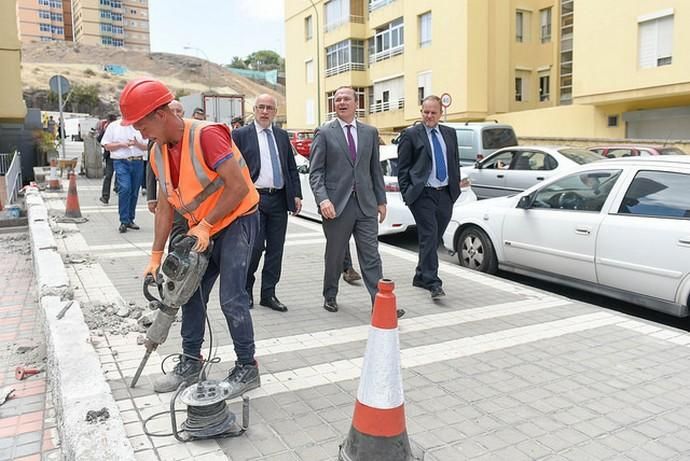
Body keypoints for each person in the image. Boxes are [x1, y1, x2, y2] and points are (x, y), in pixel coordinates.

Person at [120, 77, 260, 396]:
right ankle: (190, 362)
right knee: (189, 294)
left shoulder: (206, 135)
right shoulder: (157, 151)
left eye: (142, 126)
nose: (140, 134)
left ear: (161, 114)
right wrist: (156, 255)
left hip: (237, 220)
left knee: (231, 296)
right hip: (202, 227)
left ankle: (247, 368)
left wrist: (207, 224)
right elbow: (168, 205)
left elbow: (237, 187)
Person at [309, 86, 404, 317]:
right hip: (337, 206)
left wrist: (381, 201)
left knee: (371, 255)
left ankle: (380, 302)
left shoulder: (370, 132)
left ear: (356, 103)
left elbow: (374, 171)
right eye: (337, 99)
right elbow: (316, 173)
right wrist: (323, 200)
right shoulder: (324, 132)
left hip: (366, 204)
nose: (341, 102)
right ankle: (330, 295)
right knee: (335, 254)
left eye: (346, 99)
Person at [232, 94, 302, 312]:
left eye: (269, 108)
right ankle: (245, 291)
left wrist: (297, 194)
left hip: (279, 200)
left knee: (276, 250)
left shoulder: (281, 135)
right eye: (261, 107)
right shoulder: (240, 135)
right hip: (254, 200)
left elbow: (291, 167)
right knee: (253, 249)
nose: (265, 111)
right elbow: (232, 167)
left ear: (275, 112)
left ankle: (268, 294)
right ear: (254, 109)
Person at [397, 95, 461, 300]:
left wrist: (455, 190)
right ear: (421, 112)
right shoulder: (411, 134)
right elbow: (403, 168)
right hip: (422, 193)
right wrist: (408, 194)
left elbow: (454, 161)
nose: (429, 116)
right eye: (426, 112)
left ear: (441, 113)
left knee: (433, 239)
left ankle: (420, 275)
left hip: (445, 194)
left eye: (433, 112)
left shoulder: (450, 133)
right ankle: (433, 282)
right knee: (429, 234)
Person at [145, 100, 189, 247]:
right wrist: (151, 197)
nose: (176, 114)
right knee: (177, 232)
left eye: (179, 111)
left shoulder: (192, 135)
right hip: (172, 195)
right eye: (173, 111)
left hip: (196, 196)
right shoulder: (157, 137)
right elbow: (151, 168)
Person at [100, 115, 148, 233]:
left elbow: (148, 146)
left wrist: (137, 144)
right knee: (125, 188)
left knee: (134, 191)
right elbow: (106, 145)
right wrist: (121, 144)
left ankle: (130, 219)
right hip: (121, 161)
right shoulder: (114, 126)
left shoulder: (140, 124)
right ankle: (123, 220)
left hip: (137, 161)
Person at [98, 114, 118, 205]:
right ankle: (113, 191)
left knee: (108, 176)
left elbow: (99, 139)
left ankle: (105, 196)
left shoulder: (112, 128)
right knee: (116, 175)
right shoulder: (116, 127)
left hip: (113, 156)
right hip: (114, 155)